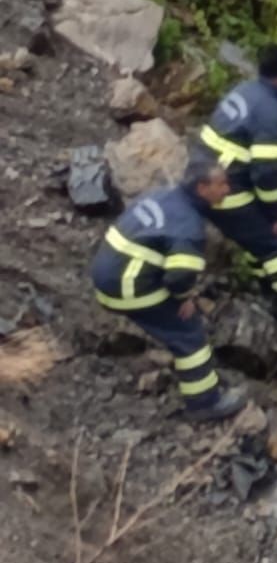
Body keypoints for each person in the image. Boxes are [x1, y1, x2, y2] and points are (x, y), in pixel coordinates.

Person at [90, 153, 246, 422]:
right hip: (126, 288)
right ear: (202, 189)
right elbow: (179, 277)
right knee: (189, 332)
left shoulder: (164, 195)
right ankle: (204, 403)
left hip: (107, 273)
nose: (227, 189)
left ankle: (203, 378)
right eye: (221, 185)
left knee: (179, 321)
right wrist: (184, 297)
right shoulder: (189, 228)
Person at [199, 44, 277, 324]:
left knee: (256, 238)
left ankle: (269, 290)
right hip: (225, 191)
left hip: (203, 178)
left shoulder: (247, 91)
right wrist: (275, 215)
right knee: (276, 242)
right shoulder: (271, 114)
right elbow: (266, 174)